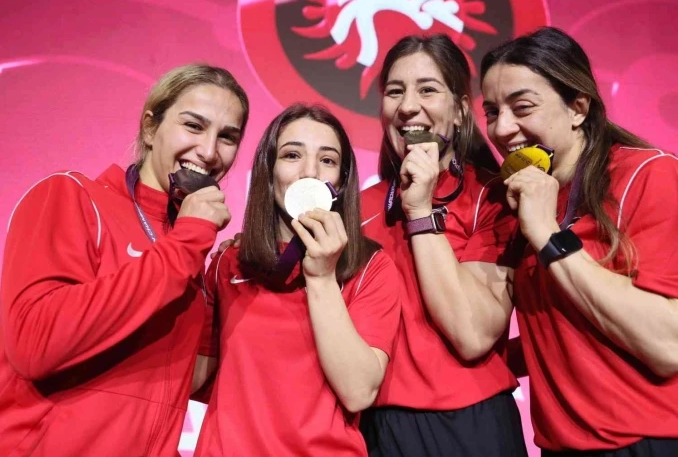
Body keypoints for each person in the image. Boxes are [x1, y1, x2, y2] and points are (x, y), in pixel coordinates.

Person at [0, 64, 249, 456]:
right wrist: (187, 241)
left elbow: (188, 383)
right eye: (193, 126)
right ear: (150, 128)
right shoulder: (72, 197)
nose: (208, 151)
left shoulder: (190, 249)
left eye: (227, 137)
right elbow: (36, 344)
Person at [480, 26, 678, 456]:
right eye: (492, 112)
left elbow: (668, 346)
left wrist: (549, 235)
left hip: (644, 442)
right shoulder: (521, 197)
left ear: (578, 107)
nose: (503, 128)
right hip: (559, 447)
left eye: (522, 107)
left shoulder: (649, 176)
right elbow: (563, 328)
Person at [192, 103, 403, 456]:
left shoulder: (371, 267)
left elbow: (358, 391)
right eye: (292, 155)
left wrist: (322, 277)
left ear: (342, 180)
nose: (310, 172)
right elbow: (191, 379)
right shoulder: (229, 263)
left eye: (327, 160)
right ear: (268, 170)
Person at [358, 35, 528, 457]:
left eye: (427, 90)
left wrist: (420, 211)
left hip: (474, 425)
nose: (407, 106)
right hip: (376, 426)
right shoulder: (355, 210)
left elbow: (472, 334)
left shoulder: (495, 197)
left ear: (460, 110)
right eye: (394, 91)